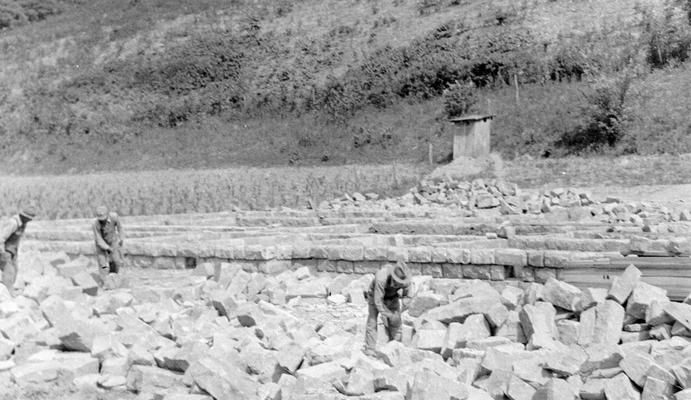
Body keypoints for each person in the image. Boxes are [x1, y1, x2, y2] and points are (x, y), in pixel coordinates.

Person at [364, 262, 412, 355]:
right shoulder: (381, 277)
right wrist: (389, 315)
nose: (397, 285)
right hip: (375, 296)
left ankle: (396, 347)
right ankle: (370, 349)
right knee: (372, 320)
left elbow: (408, 295)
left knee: (396, 322)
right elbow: (378, 302)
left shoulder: (405, 280)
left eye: (400, 283)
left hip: (392, 297)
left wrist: (405, 303)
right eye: (396, 282)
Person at [0, 207, 36, 292]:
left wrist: (16, 253)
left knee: (15, 270)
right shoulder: (13, 223)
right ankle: (6, 294)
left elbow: (17, 240)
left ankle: (9, 289)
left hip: (13, 250)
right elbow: (1, 238)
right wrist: (2, 252)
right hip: (5, 250)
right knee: (9, 271)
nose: (29, 221)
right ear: (24, 217)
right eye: (29, 219)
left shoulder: (23, 224)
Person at [93, 206, 125, 276]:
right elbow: (99, 240)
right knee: (102, 263)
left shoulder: (114, 217)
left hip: (112, 239)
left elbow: (120, 228)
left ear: (108, 215)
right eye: (101, 220)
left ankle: (114, 276)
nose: (102, 221)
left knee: (115, 260)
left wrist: (121, 238)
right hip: (101, 243)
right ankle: (104, 279)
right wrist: (108, 248)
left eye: (104, 219)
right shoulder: (96, 224)